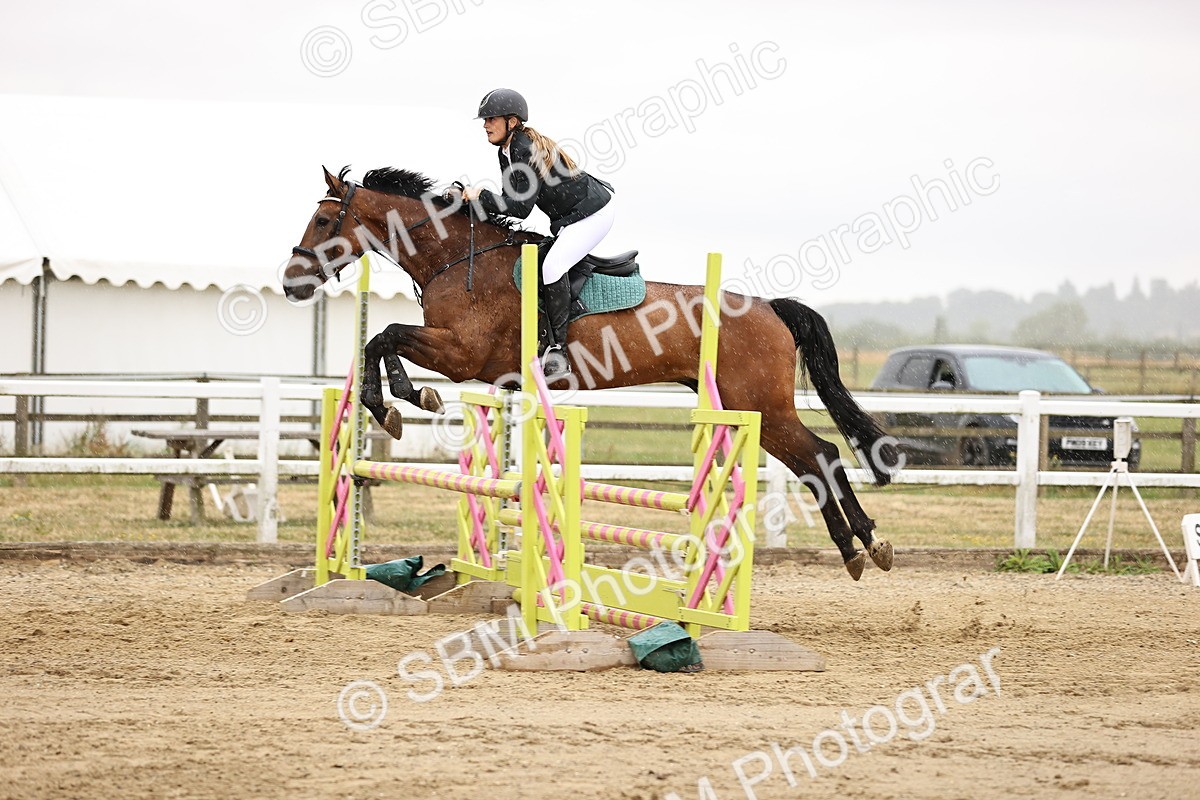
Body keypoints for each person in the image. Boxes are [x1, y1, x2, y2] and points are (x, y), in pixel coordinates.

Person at [459, 88, 615, 378]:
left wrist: (480, 195)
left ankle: (558, 351)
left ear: (512, 122)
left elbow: (519, 209)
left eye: (491, 119)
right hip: (572, 217)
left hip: (593, 215)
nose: (485, 125)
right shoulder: (506, 151)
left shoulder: (523, 150)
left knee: (552, 266)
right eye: (485, 119)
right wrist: (472, 204)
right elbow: (508, 201)